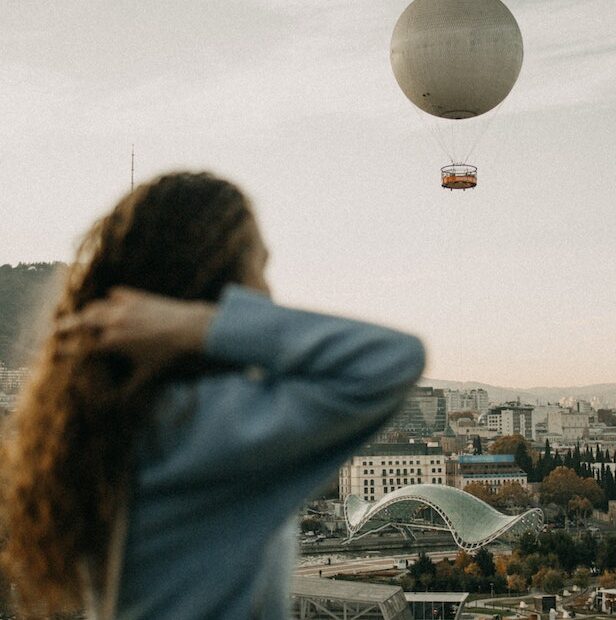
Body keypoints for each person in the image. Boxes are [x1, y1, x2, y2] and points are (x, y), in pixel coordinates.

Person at [0, 171, 425, 619]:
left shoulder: (88, 423)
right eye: (259, 266)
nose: (267, 293)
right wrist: (197, 325)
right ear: (217, 284)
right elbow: (394, 359)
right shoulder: (206, 423)